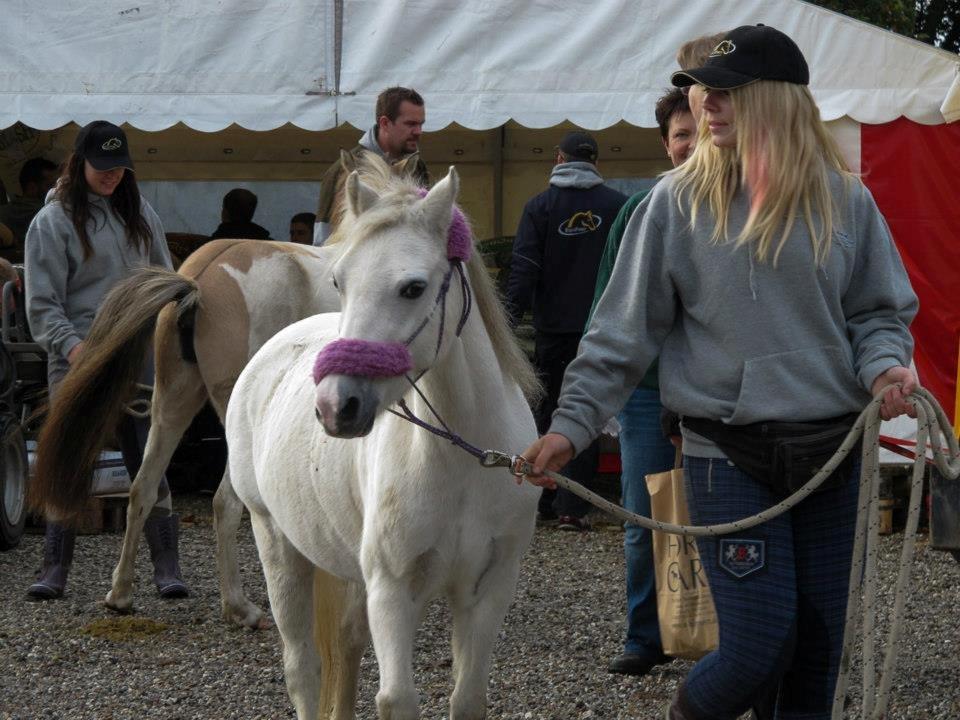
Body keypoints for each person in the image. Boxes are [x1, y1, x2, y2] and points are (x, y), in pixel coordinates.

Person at [520, 25, 918, 719]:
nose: (707, 104)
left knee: (817, 653)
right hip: (727, 454)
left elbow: (876, 314)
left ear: (777, 100)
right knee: (757, 647)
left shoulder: (847, 200)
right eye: (706, 91)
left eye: (727, 92)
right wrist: (570, 427)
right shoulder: (672, 204)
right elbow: (619, 333)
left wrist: (885, 370)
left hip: (832, 454)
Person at [24, 120, 189, 601]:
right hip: (77, 356)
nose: (113, 175)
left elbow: (165, 276)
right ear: (79, 163)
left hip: (138, 355)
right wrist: (77, 351)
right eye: (103, 167)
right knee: (70, 458)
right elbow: (42, 305)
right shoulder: (51, 222)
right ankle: (55, 567)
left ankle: (166, 567)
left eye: (120, 167)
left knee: (150, 456)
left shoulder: (140, 212)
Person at [594, 86, 700, 677]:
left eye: (700, 133)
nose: (692, 145)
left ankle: (724, 633)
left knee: (723, 513)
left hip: (717, 391)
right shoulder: (638, 212)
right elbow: (609, 310)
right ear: (665, 145)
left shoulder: (745, 207)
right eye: (681, 135)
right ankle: (645, 635)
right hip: (648, 389)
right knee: (645, 514)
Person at [506, 131, 628, 531]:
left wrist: (504, 326)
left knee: (550, 408)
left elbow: (524, 270)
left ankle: (541, 499)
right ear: (596, 163)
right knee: (588, 410)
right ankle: (574, 507)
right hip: (604, 329)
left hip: (553, 331)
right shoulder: (618, 206)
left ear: (559, 159)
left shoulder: (539, 207)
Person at [313, 86, 429, 246]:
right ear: (385, 123)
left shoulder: (417, 166)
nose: (418, 131)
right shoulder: (344, 167)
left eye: (420, 124)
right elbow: (323, 238)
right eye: (410, 124)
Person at [0, 157, 59, 263]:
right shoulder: (44, 213)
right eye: (50, 185)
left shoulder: (5, 210)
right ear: (32, 188)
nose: (57, 189)